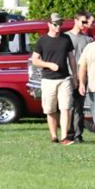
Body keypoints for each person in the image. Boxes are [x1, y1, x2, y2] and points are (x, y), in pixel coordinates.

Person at [33, 12, 76, 145]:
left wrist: (75, 76)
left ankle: (64, 137)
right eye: (55, 24)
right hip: (48, 80)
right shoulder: (42, 41)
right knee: (50, 109)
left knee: (65, 108)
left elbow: (72, 58)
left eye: (60, 24)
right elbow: (35, 60)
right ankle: (54, 136)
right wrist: (49, 65)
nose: (58, 27)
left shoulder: (66, 39)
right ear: (49, 24)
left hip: (64, 79)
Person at [65, 11, 94, 142]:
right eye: (83, 22)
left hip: (82, 78)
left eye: (86, 22)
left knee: (79, 107)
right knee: (67, 106)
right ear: (75, 20)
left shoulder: (88, 40)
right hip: (68, 76)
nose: (85, 25)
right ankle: (68, 133)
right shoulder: (66, 37)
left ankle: (77, 134)